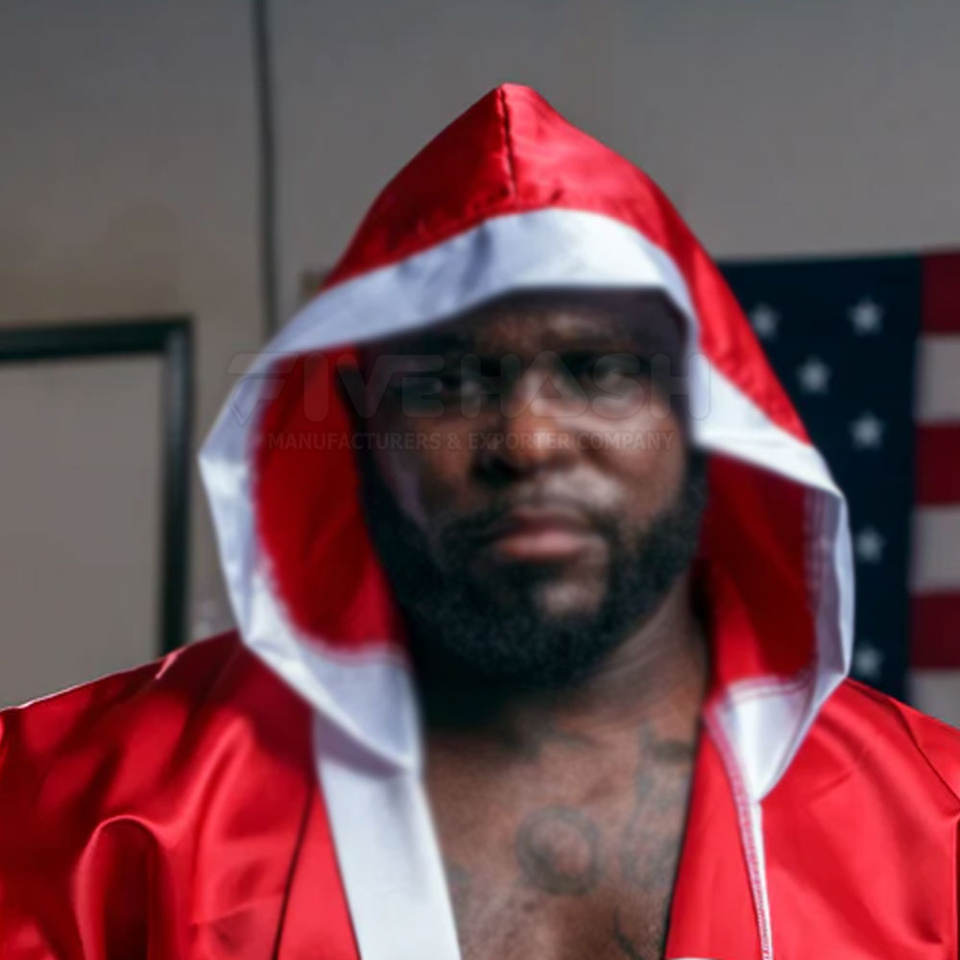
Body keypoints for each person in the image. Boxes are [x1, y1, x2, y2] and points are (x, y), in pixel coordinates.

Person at [0, 83, 957, 959]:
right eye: (447, 383)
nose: (528, 440)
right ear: (361, 428)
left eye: (599, 371)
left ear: (709, 411)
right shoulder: (77, 816)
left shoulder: (937, 829)